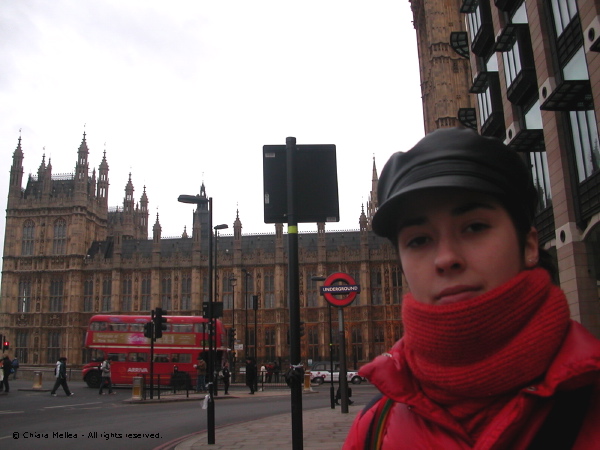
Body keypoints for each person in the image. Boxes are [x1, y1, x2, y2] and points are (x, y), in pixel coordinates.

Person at [344, 128, 600, 449]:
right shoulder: (373, 430)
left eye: (475, 227)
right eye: (419, 239)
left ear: (530, 244)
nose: (446, 258)